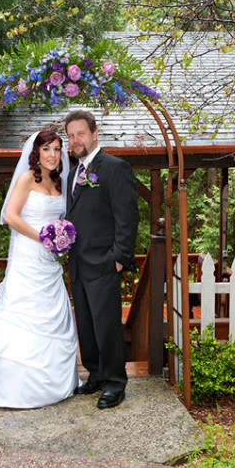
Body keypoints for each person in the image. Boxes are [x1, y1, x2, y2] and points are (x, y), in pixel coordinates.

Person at [0, 126, 80, 408]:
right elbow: (10, 215)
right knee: (23, 313)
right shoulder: (25, 179)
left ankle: (55, 386)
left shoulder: (59, 183)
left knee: (53, 312)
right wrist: (43, 237)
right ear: (36, 152)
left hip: (49, 261)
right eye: (47, 149)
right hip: (27, 256)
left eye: (57, 149)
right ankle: (15, 389)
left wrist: (60, 236)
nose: (53, 154)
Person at [65, 110, 139, 409]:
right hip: (79, 264)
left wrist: (118, 259)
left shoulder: (114, 168)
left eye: (80, 133)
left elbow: (127, 218)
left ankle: (114, 383)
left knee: (107, 325)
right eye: (70, 136)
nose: (75, 140)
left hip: (104, 264)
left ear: (95, 133)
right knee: (85, 323)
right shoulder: (73, 173)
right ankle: (95, 374)